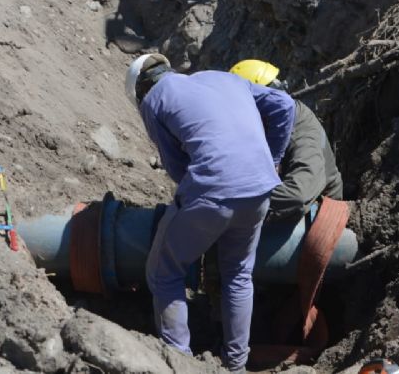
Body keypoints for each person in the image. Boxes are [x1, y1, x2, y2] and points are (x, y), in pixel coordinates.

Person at [125, 53, 295, 372]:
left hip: (213, 192)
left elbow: (177, 167)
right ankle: (236, 365)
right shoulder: (223, 77)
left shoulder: (153, 101)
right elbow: (284, 105)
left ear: (140, 90)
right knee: (239, 275)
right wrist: (273, 158)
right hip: (260, 188)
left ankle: (179, 362)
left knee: (165, 272)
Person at [229, 59, 343, 224]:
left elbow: (298, 195)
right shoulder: (267, 128)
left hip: (319, 219)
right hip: (289, 208)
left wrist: (237, 202)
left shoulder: (300, 133)